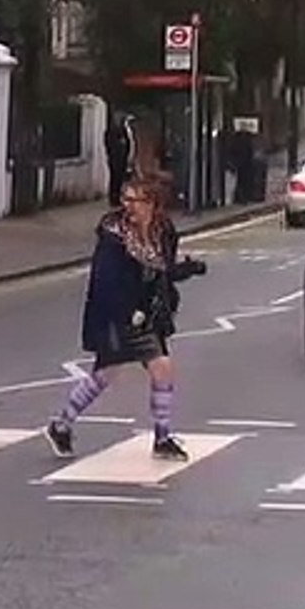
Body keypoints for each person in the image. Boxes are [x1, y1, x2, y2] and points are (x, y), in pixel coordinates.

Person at [43, 179, 207, 462]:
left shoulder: (162, 231)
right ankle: (62, 425)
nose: (128, 206)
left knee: (161, 369)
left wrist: (189, 269)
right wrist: (128, 312)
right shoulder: (113, 237)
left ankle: (162, 438)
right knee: (106, 374)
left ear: (152, 204)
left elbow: (163, 271)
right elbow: (105, 282)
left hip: (148, 314)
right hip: (115, 315)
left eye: (135, 200)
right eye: (125, 199)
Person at [105, 113, 133, 208]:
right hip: (115, 159)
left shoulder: (124, 130)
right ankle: (113, 198)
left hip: (123, 158)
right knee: (115, 178)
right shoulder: (111, 131)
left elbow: (128, 142)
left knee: (120, 179)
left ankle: (118, 197)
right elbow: (109, 145)